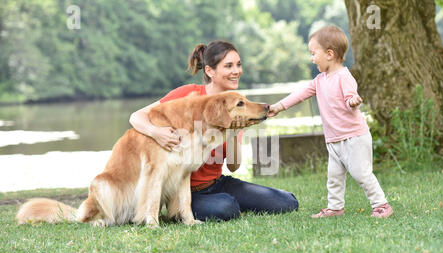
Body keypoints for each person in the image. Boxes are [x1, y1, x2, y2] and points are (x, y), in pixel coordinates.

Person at [129, 40, 298, 221]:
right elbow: (136, 116)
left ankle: (226, 203)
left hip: (217, 183)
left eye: (238, 65)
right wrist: (157, 133)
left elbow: (233, 166)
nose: (236, 71)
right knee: (226, 207)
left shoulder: (237, 104)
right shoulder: (188, 95)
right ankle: (181, 210)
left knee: (287, 202)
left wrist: (234, 131)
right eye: (228, 66)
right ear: (210, 71)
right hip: (184, 189)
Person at [268, 26, 393, 219]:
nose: (312, 58)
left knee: (361, 173)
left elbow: (351, 97)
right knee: (334, 177)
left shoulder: (344, 76)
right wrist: (279, 106)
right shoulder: (319, 80)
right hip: (334, 140)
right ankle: (335, 208)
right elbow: (300, 94)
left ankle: (381, 205)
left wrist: (352, 102)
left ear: (329, 54)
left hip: (354, 137)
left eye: (313, 53)